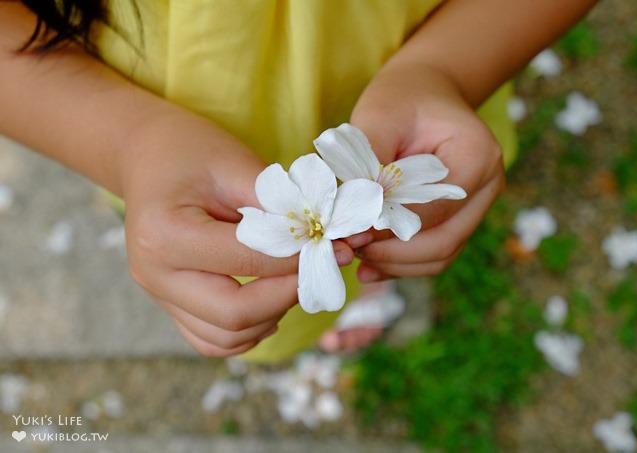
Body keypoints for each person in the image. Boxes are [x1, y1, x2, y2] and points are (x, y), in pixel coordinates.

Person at [0, 0, 598, 363]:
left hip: (400, 68)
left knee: (378, 239)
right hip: (158, 100)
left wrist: (444, 68)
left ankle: (366, 268)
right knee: (245, 264)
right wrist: (130, 143)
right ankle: (352, 274)